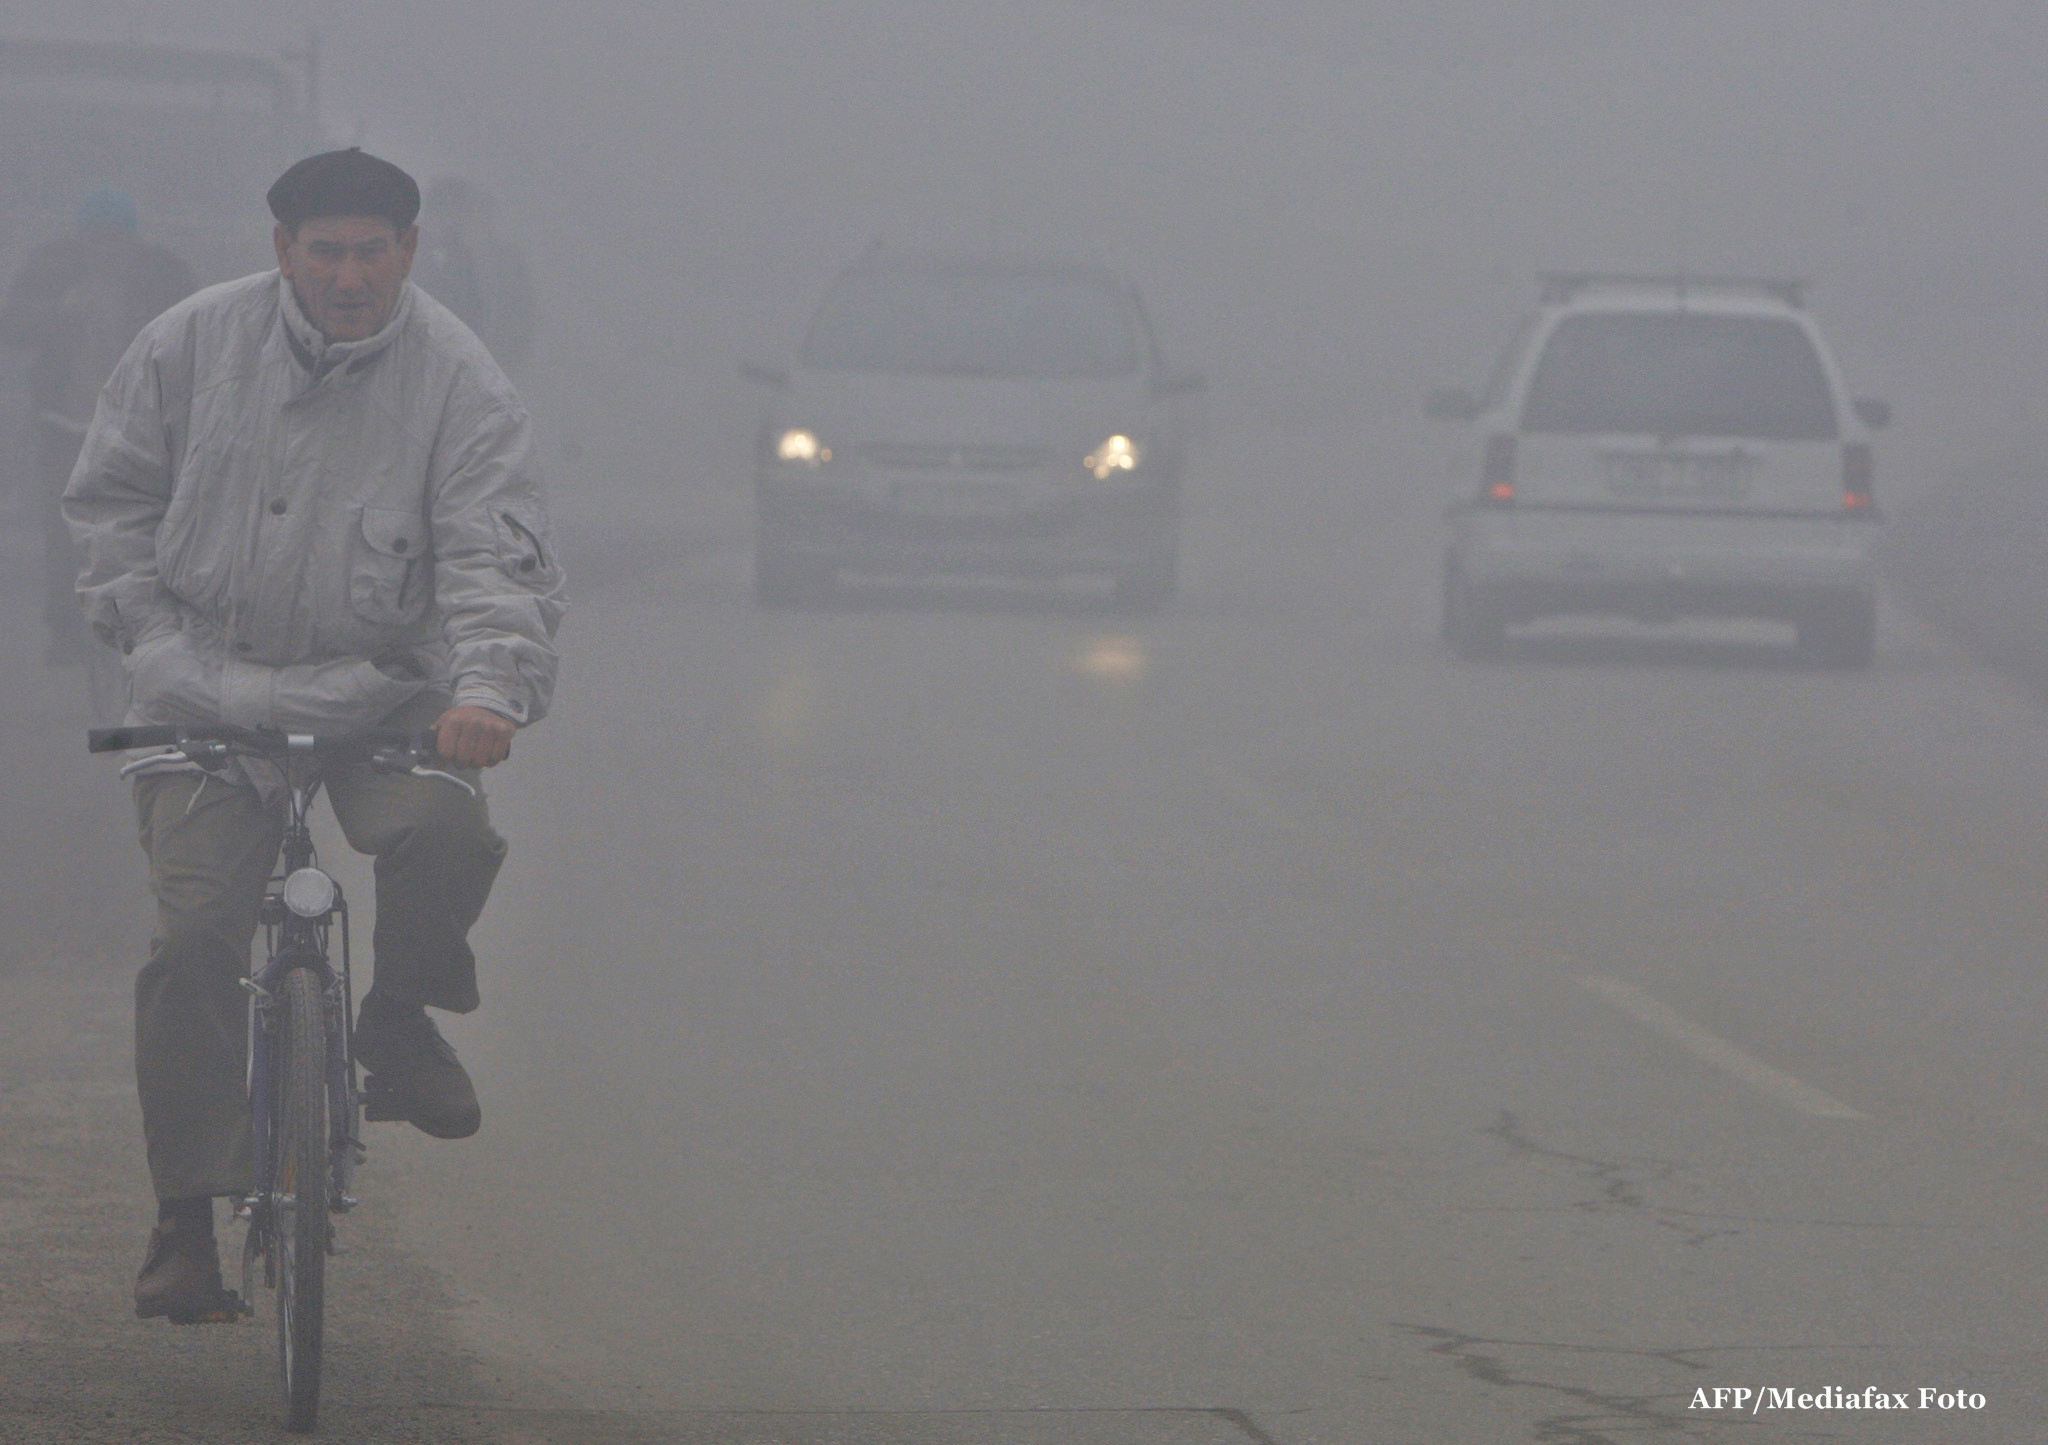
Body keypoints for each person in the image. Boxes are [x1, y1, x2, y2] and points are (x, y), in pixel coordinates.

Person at [65, 149, 565, 1323]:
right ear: (283, 250)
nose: (350, 275)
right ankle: (187, 1214)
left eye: (372, 252)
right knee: (193, 940)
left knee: (444, 832)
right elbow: (111, 508)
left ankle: (399, 1017)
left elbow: (498, 558)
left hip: (385, 697)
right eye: (327, 251)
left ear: (410, 251)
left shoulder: (461, 382)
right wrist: (152, 643)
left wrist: (487, 690)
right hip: (203, 697)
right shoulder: (188, 345)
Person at [0, 188, 195, 665]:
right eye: (96, 239)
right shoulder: (51, 270)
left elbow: (196, 333)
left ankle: (144, 632)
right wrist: (56, 312)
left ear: (132, 240)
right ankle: (66, 636)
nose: (106, 250)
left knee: (149, 533)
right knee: (63, 535)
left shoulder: (162, 275)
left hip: (142, 431)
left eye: (116, 239)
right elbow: (11, 324)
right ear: (82, 239)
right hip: (63, 427)